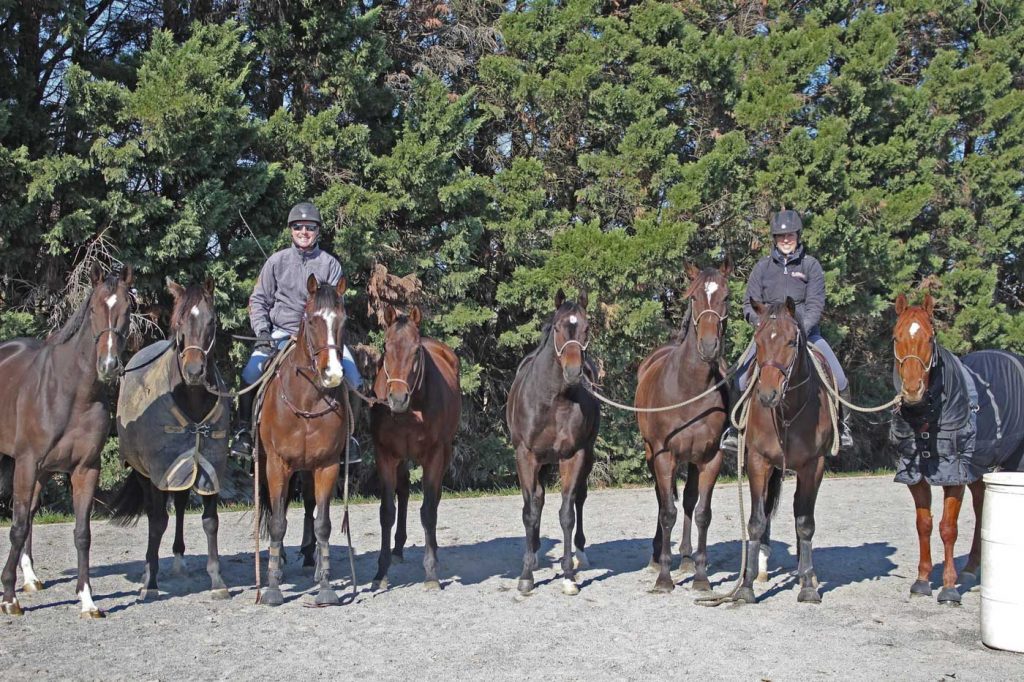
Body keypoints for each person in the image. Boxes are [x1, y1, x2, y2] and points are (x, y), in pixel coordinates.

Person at [231, 201, 363, 461]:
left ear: (317, 231)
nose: (304, 231)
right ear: (291, 230)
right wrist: (263, 333)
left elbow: (336, 308)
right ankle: (244, 433)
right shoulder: (276, 262)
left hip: (323, 337)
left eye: (310, 227)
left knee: (354, 377)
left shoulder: (330, 265)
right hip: (280, 334)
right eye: (299, 227)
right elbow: (258, 301)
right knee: (250, 373)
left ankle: (349, 439)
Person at [720, 209, 854, 454]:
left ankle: (843, 428)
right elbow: (748, 303)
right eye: (781, 236)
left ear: (797, 235)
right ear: (774, 239)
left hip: (805, 335)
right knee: (739, 379)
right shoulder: (762, 268)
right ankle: (732, 431)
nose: (786, 240)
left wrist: (799, 328)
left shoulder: (810, 266)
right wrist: (761, 325)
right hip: (769, 337)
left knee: (840, 377)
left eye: (790, 235)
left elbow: (815, 304)